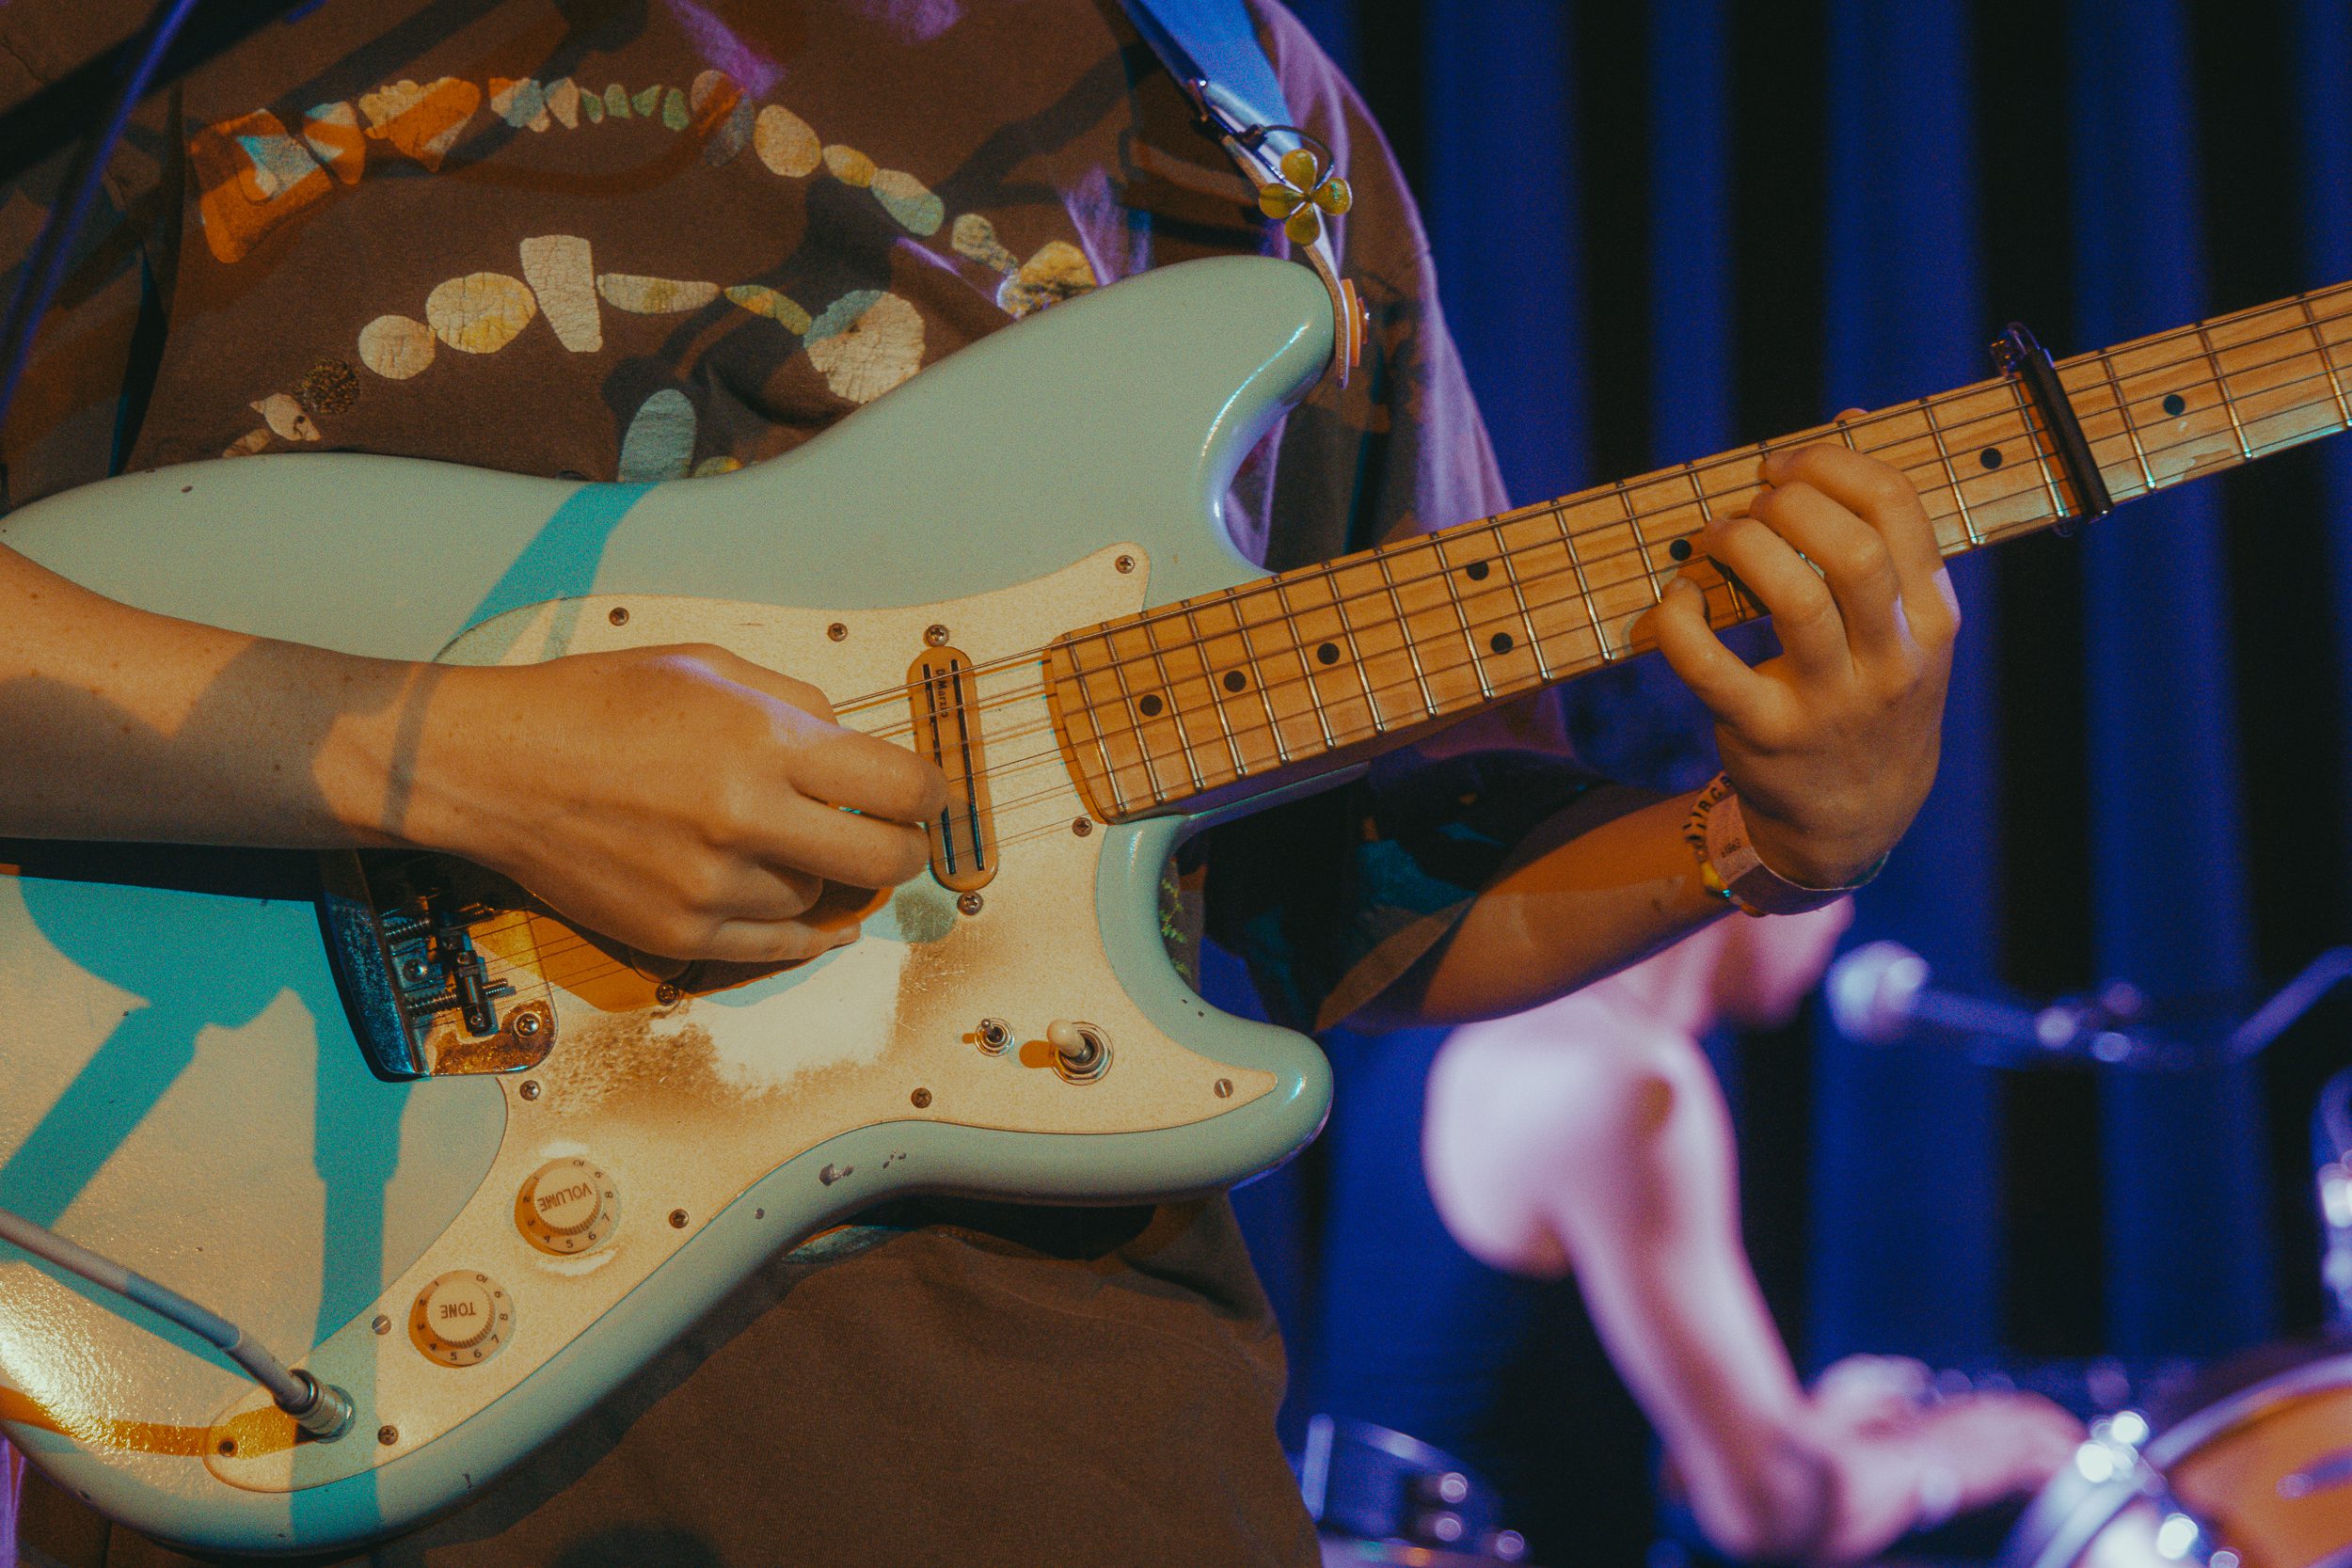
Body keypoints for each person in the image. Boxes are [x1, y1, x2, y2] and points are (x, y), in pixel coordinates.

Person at [0, 1, 1957, 1562]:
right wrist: (452, 757)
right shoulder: (131, 36)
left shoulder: (1229, 82)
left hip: (1052, 1456)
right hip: (306, 1351)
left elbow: (1369, 881)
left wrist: (1763, 839)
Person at [1425, 908, 2082, 1563]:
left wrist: (1795, 1432)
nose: (1844, 913)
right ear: (1752, 869)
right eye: (1837, 874)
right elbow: (1772, 1511)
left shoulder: (1477, 1022)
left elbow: (1524, 1419)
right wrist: (1952, 1461)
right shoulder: (1627, 1078)